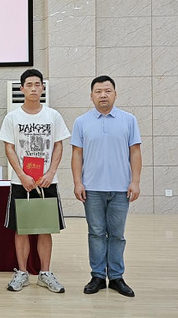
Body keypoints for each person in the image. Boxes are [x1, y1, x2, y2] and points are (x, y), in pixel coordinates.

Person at [0, 69, 70, 293]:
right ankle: (22, 273)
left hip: (47, 182)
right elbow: (9, 148)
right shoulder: (12, 117)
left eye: (37, 84)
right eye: (29, 85)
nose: (33, 88)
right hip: (21, 182)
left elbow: (58, 145)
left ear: (42, 88)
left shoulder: (53, 116)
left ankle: (45, 273)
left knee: (45, 229)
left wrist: (50, 173)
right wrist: (21, 175)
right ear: (21, 89)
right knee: (21, 229)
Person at [71, 75, 141, 298]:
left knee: (117, 235)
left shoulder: (129, 120)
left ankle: (117, 277)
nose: (103, 95)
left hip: (121, 189)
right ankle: (98, 276)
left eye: (107, 91)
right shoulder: (81, 122)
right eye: (98, 91)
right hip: (92, 189)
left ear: (115, 94)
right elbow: (77, 154)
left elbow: (135, 152)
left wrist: (135, 181)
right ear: (91, 96)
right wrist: (78, 182)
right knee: (96, 233)